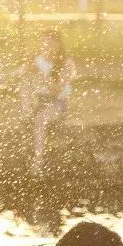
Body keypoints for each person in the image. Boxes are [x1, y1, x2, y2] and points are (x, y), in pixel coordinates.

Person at [19, 30, 75, 171]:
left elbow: (56, 91)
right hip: (38, 101)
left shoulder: (67, 64)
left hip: (57, 103)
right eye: (44, 42)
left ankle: (39, 161)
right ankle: (26, 111)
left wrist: (41, 75)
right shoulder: (38, 60)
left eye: (49, 43)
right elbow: (19, 75)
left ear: (58, 45)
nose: (45, 46)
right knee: (24, 80)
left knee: (40, 119)